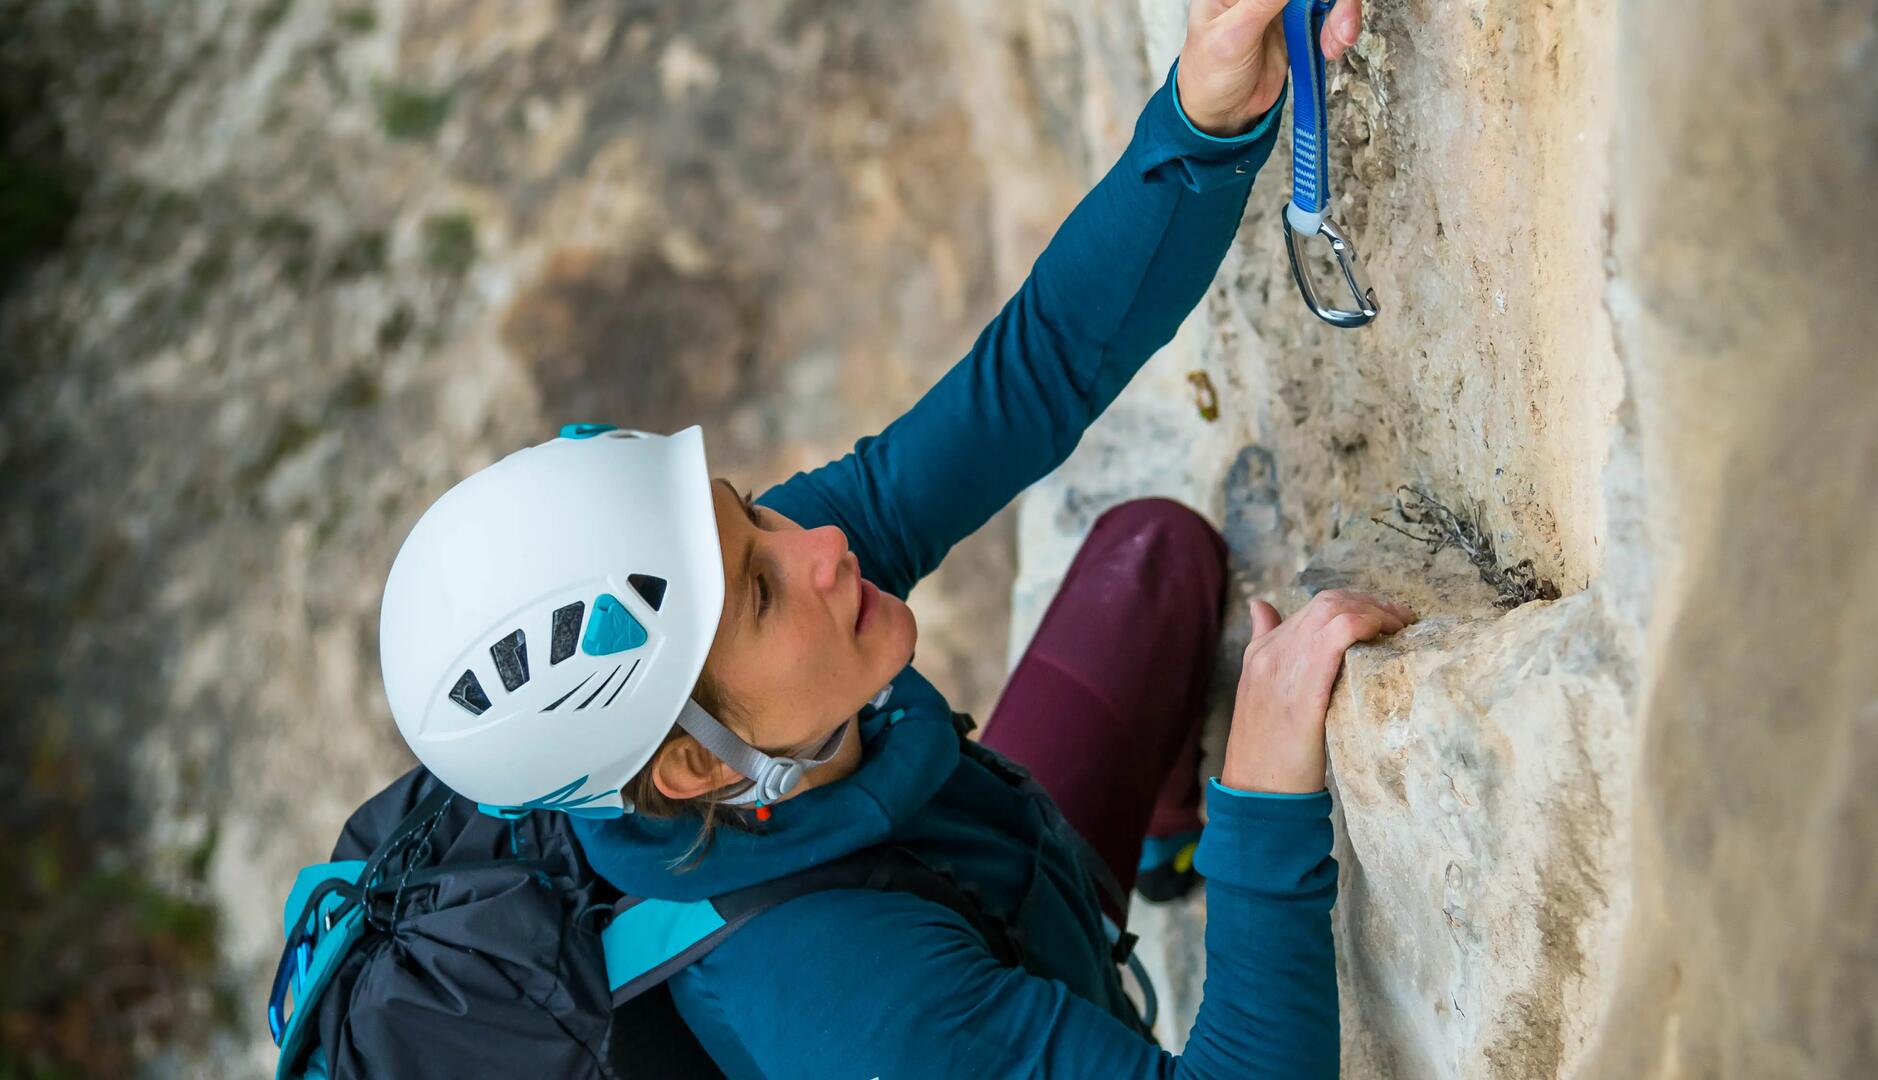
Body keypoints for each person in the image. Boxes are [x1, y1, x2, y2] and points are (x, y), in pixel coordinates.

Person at [376, 0, 1410, 1075]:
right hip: (941, 975)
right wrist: (1262, 800)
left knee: (1152, 562)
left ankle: (1163, 845)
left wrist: (1203, 120)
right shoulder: (852, 1006)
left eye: (751, 518)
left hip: (992, 890)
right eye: (763, 593)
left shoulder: (717, 627)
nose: (818, 548)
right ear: (691, 764)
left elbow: (1032, 379)